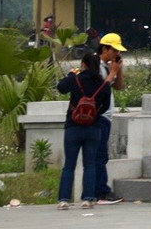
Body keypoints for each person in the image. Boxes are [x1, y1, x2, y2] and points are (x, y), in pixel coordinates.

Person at [55, 51, 113, 210]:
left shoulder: (75, 79)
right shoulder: (103, 84)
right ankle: (88, 199)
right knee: (90, 164)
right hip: (94, 128)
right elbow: (105, 107)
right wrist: (92, 115)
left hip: (73, 127)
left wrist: (70, 75)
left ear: (84, 64)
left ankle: (64, 199)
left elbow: (61, 88)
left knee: (69, 164)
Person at [94, 32, 127, 204]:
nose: (116, 54)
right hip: (99, 116)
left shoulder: (108, 67)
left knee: (101, 154)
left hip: (107, 116)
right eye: (114, 51)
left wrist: (118, 70)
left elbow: (118, 86)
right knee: (100, 155)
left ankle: (99, 189)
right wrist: (112, 72)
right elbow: (100, 89)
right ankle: (101, 191)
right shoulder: (95, 66)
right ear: (105, 49)